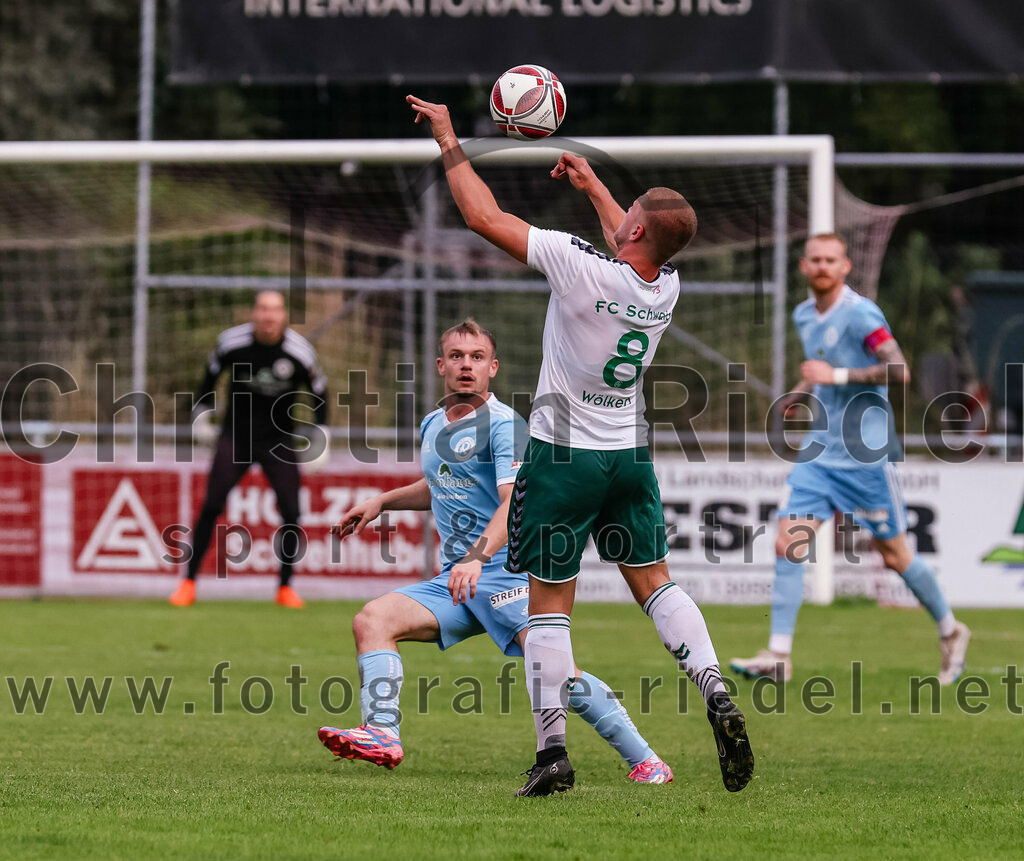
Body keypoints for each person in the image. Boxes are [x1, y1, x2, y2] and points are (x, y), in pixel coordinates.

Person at [404, 95, 753, 798]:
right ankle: (713, 684)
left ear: (630, 228)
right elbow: (637, 244)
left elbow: (482, 217)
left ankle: (552, 753)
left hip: (562, 457)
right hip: (628, 456)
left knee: (548, 606)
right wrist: (597, 188)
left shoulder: (576, 264)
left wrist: (447, 137)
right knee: (655, 583)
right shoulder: (666, 288)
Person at [321, 319, 673, 785]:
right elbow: (440, 484)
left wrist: (477, 556)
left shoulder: (506, 425)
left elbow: (513, 502)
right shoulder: (432, 422)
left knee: (557, 671)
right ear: (441, 364)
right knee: (372, 621)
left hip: (505, 575)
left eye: (477, 357)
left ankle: (646, 760)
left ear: (493, 367)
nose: (467, 365)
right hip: (458, 581)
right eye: (458, 356)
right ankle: (383, 733)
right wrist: (383, 502)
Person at [730, 234, 971, 684]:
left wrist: (836, 375)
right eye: (815, 259)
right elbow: (819, 363)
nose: (822, 266)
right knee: (788, 544)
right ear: (804, 266)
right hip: (819, 457)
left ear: (845, 267)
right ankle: (779, 654)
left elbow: (899, 370)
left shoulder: (861, 314)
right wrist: (801, 394)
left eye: (831, 260)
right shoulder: (805, 314)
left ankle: (951, 629)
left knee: (895, 555)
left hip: (866, 459)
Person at [168, 290, 329, 609]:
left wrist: (321, 433)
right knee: (212, 504)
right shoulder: (231, 343)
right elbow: (208, 379)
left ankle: (285, 588)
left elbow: (320, 393)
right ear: (254, 313)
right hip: (235, 438)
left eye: (275, 310)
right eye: (263, 309)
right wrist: (201, 413)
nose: (269, 316)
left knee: (292, 512)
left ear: (283, 315)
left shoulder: (300, 352)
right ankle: (187, 583)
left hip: (279, 440)